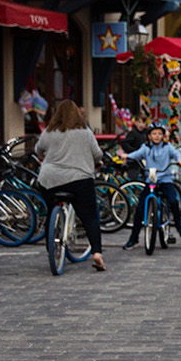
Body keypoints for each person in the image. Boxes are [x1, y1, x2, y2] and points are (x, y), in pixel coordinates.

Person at [35, 99, 106, 272]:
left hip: (49, 180)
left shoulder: (49, 132)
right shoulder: (85, 133)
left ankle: (50, 248)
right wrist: (98, 162)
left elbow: (38, 149)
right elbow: (97, 154)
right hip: (79, 179)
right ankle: (97, 253)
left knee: (51, 211)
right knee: (89, 217)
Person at [122, 123, 181, 248]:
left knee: (173, 201)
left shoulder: (167, 147)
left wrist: (180, 160)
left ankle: (179, 225)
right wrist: (126, 156)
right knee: (140, 208)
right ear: (149, 136)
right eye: (154, 134)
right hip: (151, 181)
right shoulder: (145, 147)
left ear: (163, 135)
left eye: (159, 134)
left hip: (165, 180)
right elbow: (136, 155)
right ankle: (134, 238)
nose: (157, 136)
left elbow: (177, 154)